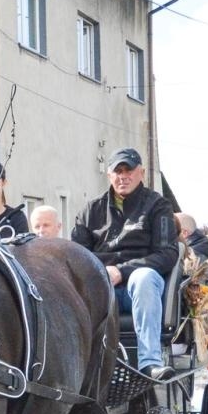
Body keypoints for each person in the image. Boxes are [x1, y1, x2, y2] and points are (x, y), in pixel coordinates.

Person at [70, 147, 178, 378]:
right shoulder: (91, 210)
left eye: (128, 170)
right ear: (109, 175)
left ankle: (149, 363)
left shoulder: (157, 205)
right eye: (117, 171)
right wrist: (100, 272)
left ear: (141, 173)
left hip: (138, 289)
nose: (123, 176)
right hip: (100, 289)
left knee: (144, 277)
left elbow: (168, 253)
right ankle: (72, 370)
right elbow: (76, 255)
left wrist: (122, 271)